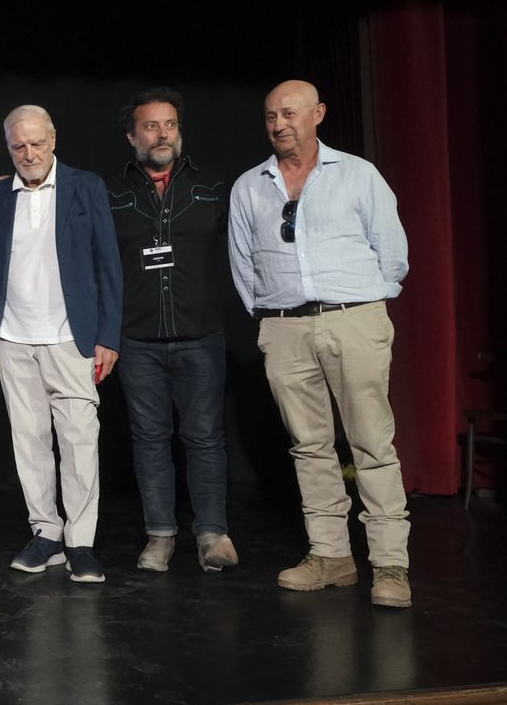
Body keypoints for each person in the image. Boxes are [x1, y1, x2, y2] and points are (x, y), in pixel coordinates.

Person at [228, 79, 412, 608]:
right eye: (270, 116)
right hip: (284, 327)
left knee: (371, 444)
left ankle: (390, 564)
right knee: (308, 446)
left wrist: (362, 301)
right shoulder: (250, 187)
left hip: (353, 319)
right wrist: (271, 316)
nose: (278, 124)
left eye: (288, 113)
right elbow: (243, 266)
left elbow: (392, 254)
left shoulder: (357, 174)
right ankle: (331, 555)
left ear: (318, 114)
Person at [0, 104, 122, 583]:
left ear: (54, 139)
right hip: (13, 339)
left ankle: (81, 542)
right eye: (18, 146)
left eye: (37, 143)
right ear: (8, 148)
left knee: (80, 442)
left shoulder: (86, 186)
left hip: (70, 338)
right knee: (30, 442)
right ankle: (47, 535)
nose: (29, 153)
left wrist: (108, 335)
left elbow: (108, 266)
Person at [105, 89, 239, 574]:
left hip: (201, 334)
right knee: (149, 438)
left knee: (204, 436)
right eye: (150, 126)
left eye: (170, 125)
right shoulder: (109, 194)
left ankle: (212, 535)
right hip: (136, 339)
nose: (162, 134)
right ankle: (160, 535)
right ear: (131, 136)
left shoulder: (215, 187)